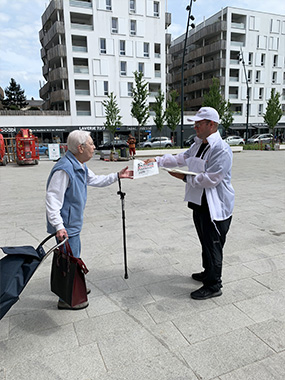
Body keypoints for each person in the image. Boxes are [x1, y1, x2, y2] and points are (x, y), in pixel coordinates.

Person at [145, 107, 234, 300]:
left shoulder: (221, 149)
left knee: (213, 244)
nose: (195, 127)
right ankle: (207, 271)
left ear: (211, 125)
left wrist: (184, 178)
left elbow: (212, 179)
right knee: (204, 241)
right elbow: (182, 158)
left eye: (199, 123)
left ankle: (213, 285)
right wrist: (158, 161)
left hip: (215, 206)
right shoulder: (198, 144)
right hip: (199, 201)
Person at [46, 130, 133, 310]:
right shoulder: (65, 169)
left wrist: (117, 175)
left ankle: (75, 287)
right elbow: (53, 199)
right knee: (68, 259)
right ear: (80, 147)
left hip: (73, 223)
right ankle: (66, 298)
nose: (94, 147)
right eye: (92, 144)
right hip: (66, 226)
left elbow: (95, 180)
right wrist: (59, 226)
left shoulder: (79, 164)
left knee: (73, 256)